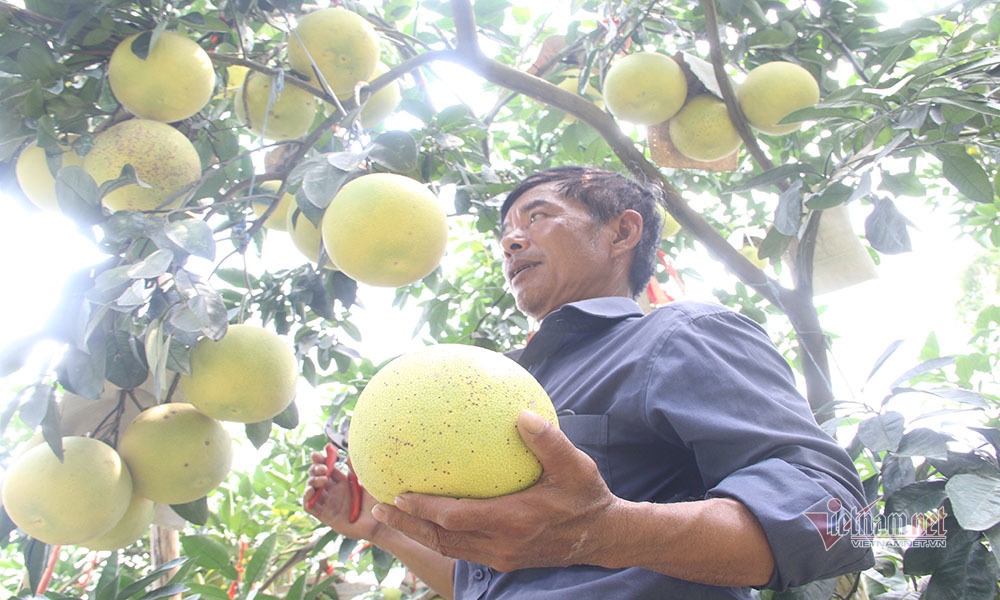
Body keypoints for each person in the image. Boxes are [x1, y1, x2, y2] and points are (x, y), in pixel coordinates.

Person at [304, 165, 875, 599]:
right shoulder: (505, 385)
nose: (511, 240)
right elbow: (491, 577)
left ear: (622, 232)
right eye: (505, 231)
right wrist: (377, 530)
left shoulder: (679, 336)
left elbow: (837, 520)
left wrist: (606, 531)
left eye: (538, 215)